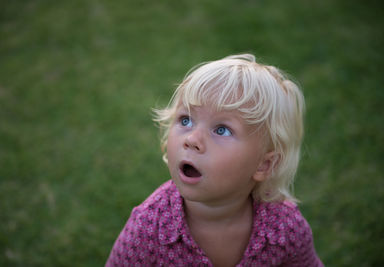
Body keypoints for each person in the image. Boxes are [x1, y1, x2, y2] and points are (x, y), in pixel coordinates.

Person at [105, 54, 323, 266]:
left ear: (264, 165)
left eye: (222, 130)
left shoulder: (284, 227)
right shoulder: (150, 226)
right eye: (186, 119)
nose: (192, 139)